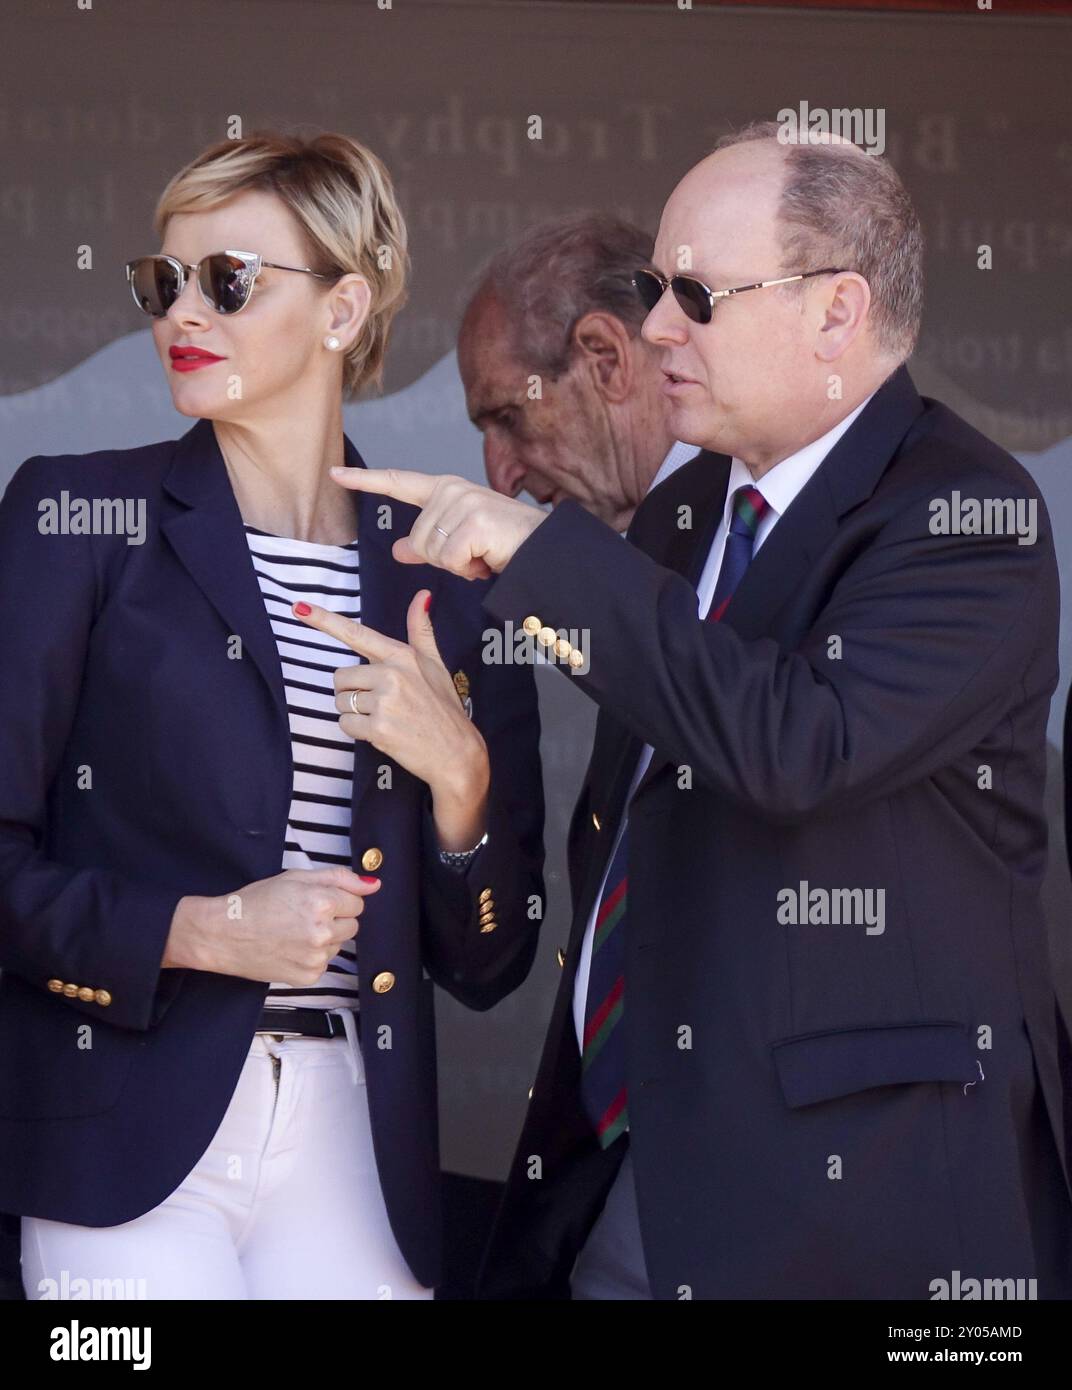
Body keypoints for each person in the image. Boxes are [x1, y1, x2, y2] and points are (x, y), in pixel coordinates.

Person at [328, 121, 1072, 1299]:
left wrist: (540, 550)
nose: (659, 326)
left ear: (837, 311)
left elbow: (795, 745)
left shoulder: (964, 516)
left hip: (853, 1206)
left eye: (693, 294)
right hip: (631, 1165)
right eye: (650, 291)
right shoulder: (686, 520)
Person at [0, 130, 544, 1300]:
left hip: (356, 1137)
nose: (180, 312)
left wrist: (459, 785)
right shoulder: (77, 518)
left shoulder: (446, 583)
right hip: (122, 1130)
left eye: (228, 281)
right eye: (163, 281)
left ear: (344, 308)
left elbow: (494, 959)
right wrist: (198, 930)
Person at [458, 214, 696, 531]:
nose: (502, 482)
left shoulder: (744, 523)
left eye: (508, 418)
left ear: (605, 358)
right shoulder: (683, 529)